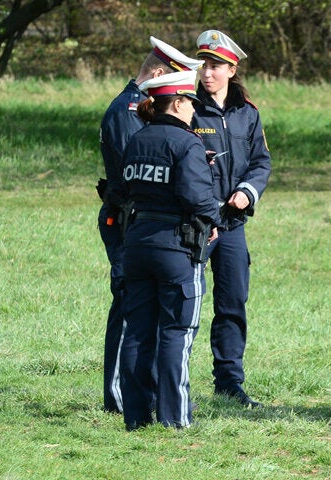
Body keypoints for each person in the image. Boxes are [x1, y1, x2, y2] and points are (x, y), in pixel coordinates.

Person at [97, 36, 203, 414]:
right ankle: (120, 399)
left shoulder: (139, 111)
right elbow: (137, 180)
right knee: (132, 313)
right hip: (132, 221)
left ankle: (148, 397)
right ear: (159, 75)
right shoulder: (127, 112)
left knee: (148, 315)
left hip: (144, 224)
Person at [112, 68, 221, 430]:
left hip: (137, 244)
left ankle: (136, 419)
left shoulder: (137, 140)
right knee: (177, 333)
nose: (193, 108)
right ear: (176, 102)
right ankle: (176, 420)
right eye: (190, 101)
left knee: (138, 332)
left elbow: (124, 190)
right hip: (176, 247)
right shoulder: (186, 143)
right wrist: (214, 216)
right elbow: (196, 198)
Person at [191, 29, 272, 408]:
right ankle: (170, 379)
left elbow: (261, 162)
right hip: (193, 224)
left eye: (215, 66)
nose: (207, 73)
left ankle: (229, 382)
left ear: (231, 68)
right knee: (182, 302)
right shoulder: (186, 108)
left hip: (233, 225)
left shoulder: (248, 113)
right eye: (204, 65)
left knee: (232, 303)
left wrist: (247, 192)